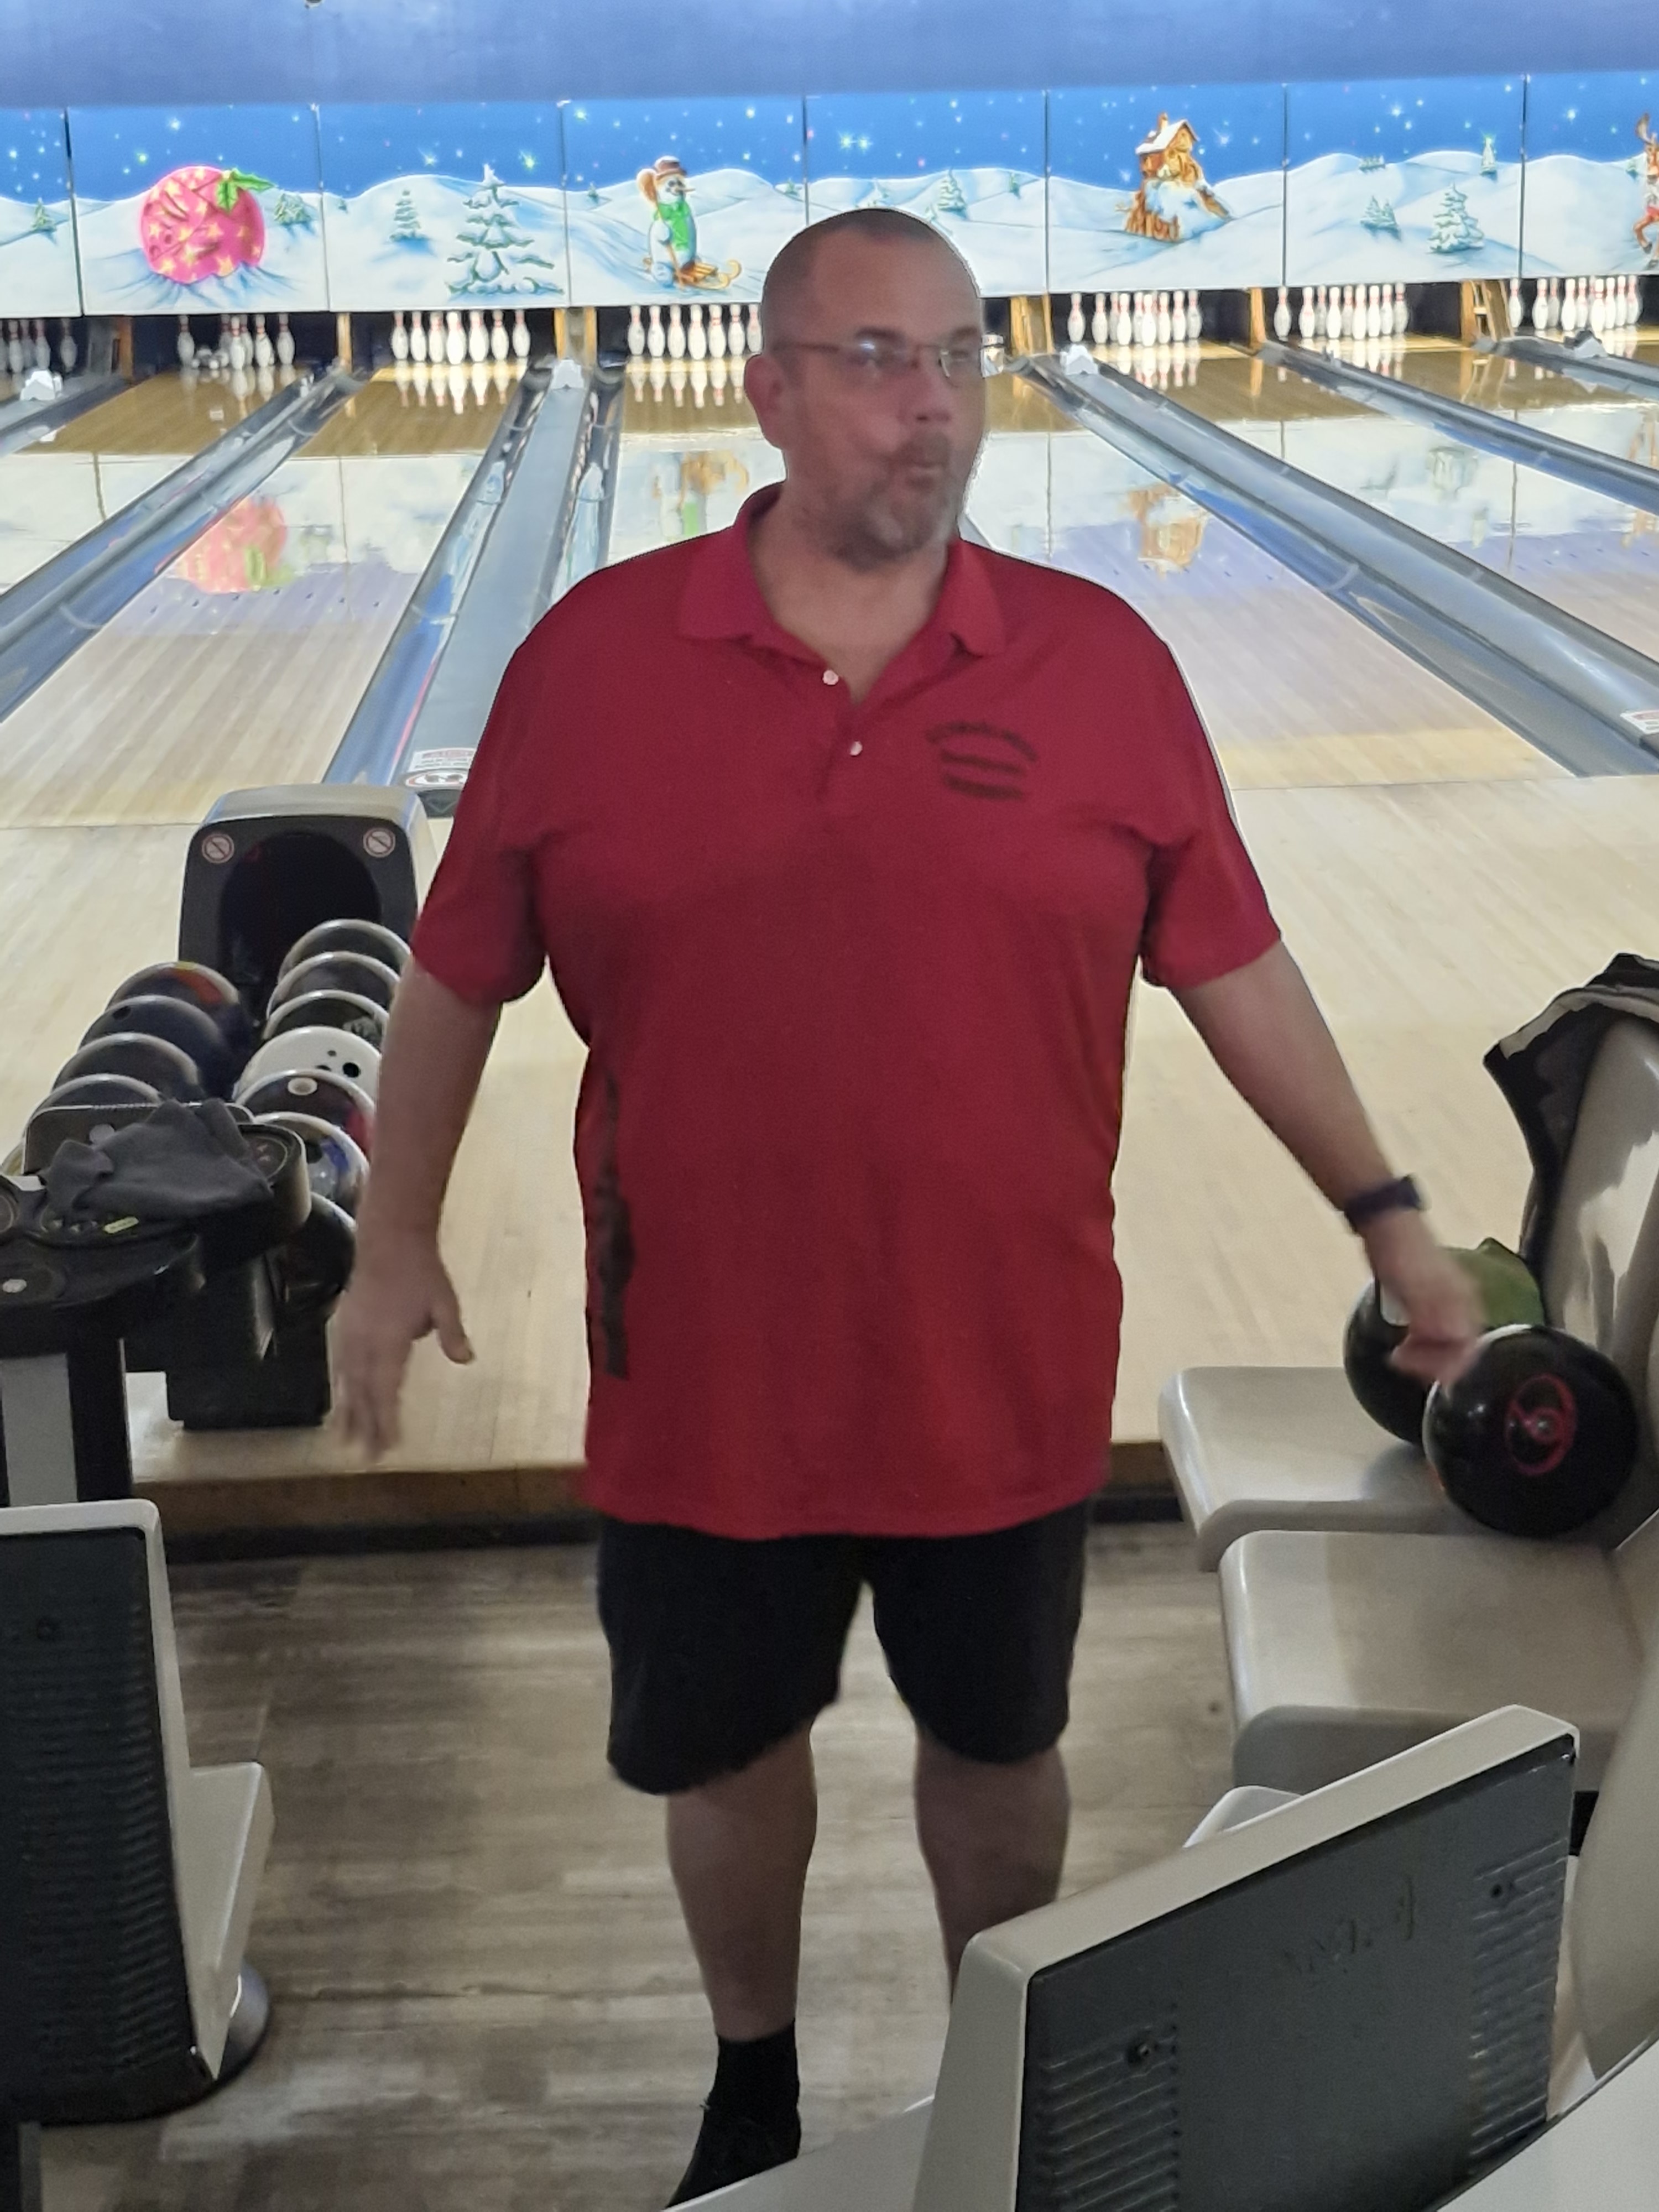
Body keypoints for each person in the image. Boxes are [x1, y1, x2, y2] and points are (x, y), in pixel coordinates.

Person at [335, 208, 1480, 2204]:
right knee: (723, 1751)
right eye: (876, 359)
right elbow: (452, 975)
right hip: (699, 1362)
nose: (929, 402)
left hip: (1000, 1357)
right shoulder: (591, 663)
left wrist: (1386, 1212)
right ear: (767, 392)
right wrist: (392, 1236)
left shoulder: (1102, 667)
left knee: (1000, 1747)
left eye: (960, 356)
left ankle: (1000, 2066)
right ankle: (752, 2082)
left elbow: (1238, 968)